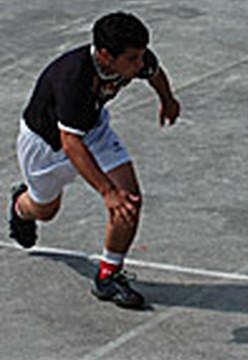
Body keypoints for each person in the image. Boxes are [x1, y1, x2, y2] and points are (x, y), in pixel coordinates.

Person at [9, 12, 180, 309]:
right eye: (132, 59)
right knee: (45, 209)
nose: (139, 64)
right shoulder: (73, 77)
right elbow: (70, 144)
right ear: (104, 55)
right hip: (45, 144)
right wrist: (107, 192)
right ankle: (20, 206)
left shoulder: (135, 58)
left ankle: (108, 275)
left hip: (93, 130)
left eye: (141, 56)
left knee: (130, 199)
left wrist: (168, 99)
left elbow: (154, 72)